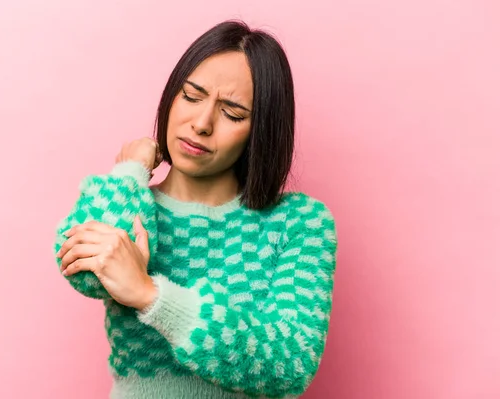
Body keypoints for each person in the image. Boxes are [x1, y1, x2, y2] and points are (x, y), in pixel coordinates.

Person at [54, 19, 338, 399]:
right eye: (191, 96)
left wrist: (151, 295)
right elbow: (85, 274)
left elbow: (289, 364)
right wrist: (130, 171)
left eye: (232, 113)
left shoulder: (299, 223)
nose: (201, 123)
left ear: (261, 130)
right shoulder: (131, 200)